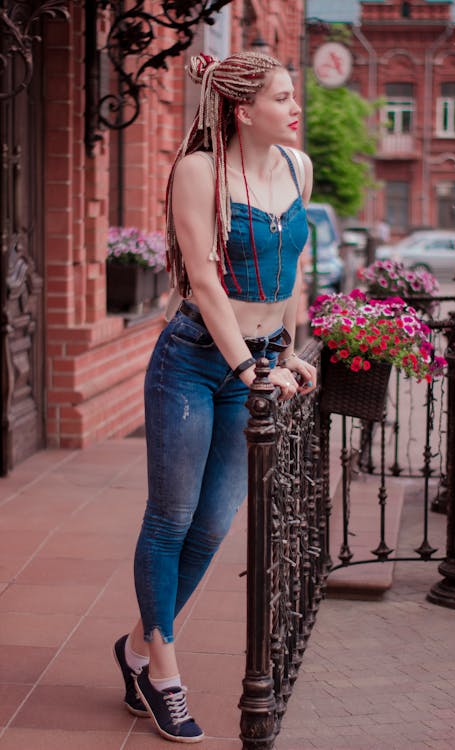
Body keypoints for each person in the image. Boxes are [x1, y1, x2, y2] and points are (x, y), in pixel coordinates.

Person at [113, 50, 316, 744]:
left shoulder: (297, 168)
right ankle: (164, 672)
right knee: (170, 519)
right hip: (196, 361)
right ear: (241, 109)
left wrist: (288, 350)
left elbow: (292, 270)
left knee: (212, 527)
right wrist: (252, 372)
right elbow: (202, 279)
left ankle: (136, 649)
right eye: (283, 97)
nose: (296, 108)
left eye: (294, 96)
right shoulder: (200, 171)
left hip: (256, 365)